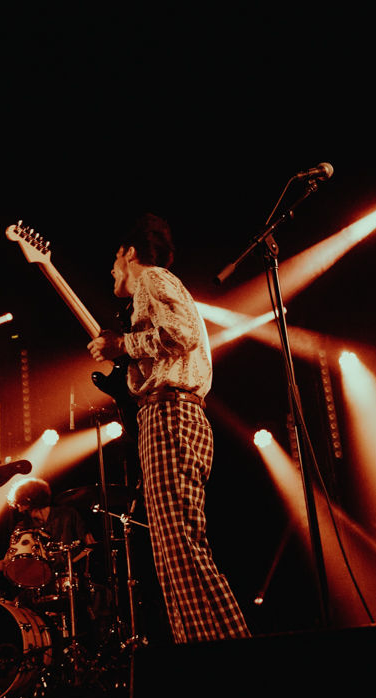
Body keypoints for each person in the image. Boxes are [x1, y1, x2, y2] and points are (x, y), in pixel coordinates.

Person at [86, 213, 251, 644]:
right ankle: (202, 659)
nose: (111, 271)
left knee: (181, 548)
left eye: (114, 260)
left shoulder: (151, 279)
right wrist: (124, 353)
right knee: (173, 553)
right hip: (168, 414)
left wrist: (122, 344)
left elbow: (181, 333)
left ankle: (242, 659)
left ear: (129, 253)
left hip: (170, 414)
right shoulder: (152, 290)